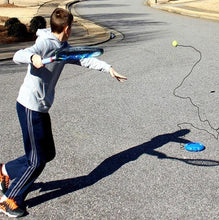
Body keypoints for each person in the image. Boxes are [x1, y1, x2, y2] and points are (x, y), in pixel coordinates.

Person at [0, 8, 127, 218]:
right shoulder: (46, 43)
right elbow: (17, 55)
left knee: (47, 154)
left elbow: (83, 58)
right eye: (72, 28)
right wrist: (33, 57)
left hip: (40, 107)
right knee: (37, 160)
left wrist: (108, 68)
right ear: (67, 29)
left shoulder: (63, 47)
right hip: (29, 106)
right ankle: (10, 199)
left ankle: (5, 171)